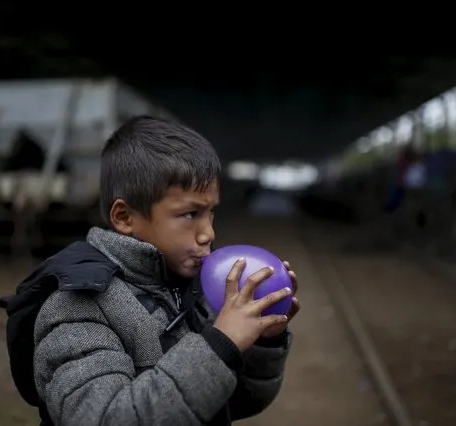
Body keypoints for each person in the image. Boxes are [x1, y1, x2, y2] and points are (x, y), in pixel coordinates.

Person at [31, 116, 301, 425]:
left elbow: (228, 404)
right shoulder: (77, 307)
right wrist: (221, 344)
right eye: (190, 214)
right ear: (124, 217)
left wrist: (260, 342)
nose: (208, 233)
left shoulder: (187, 287)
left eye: (210, 213)